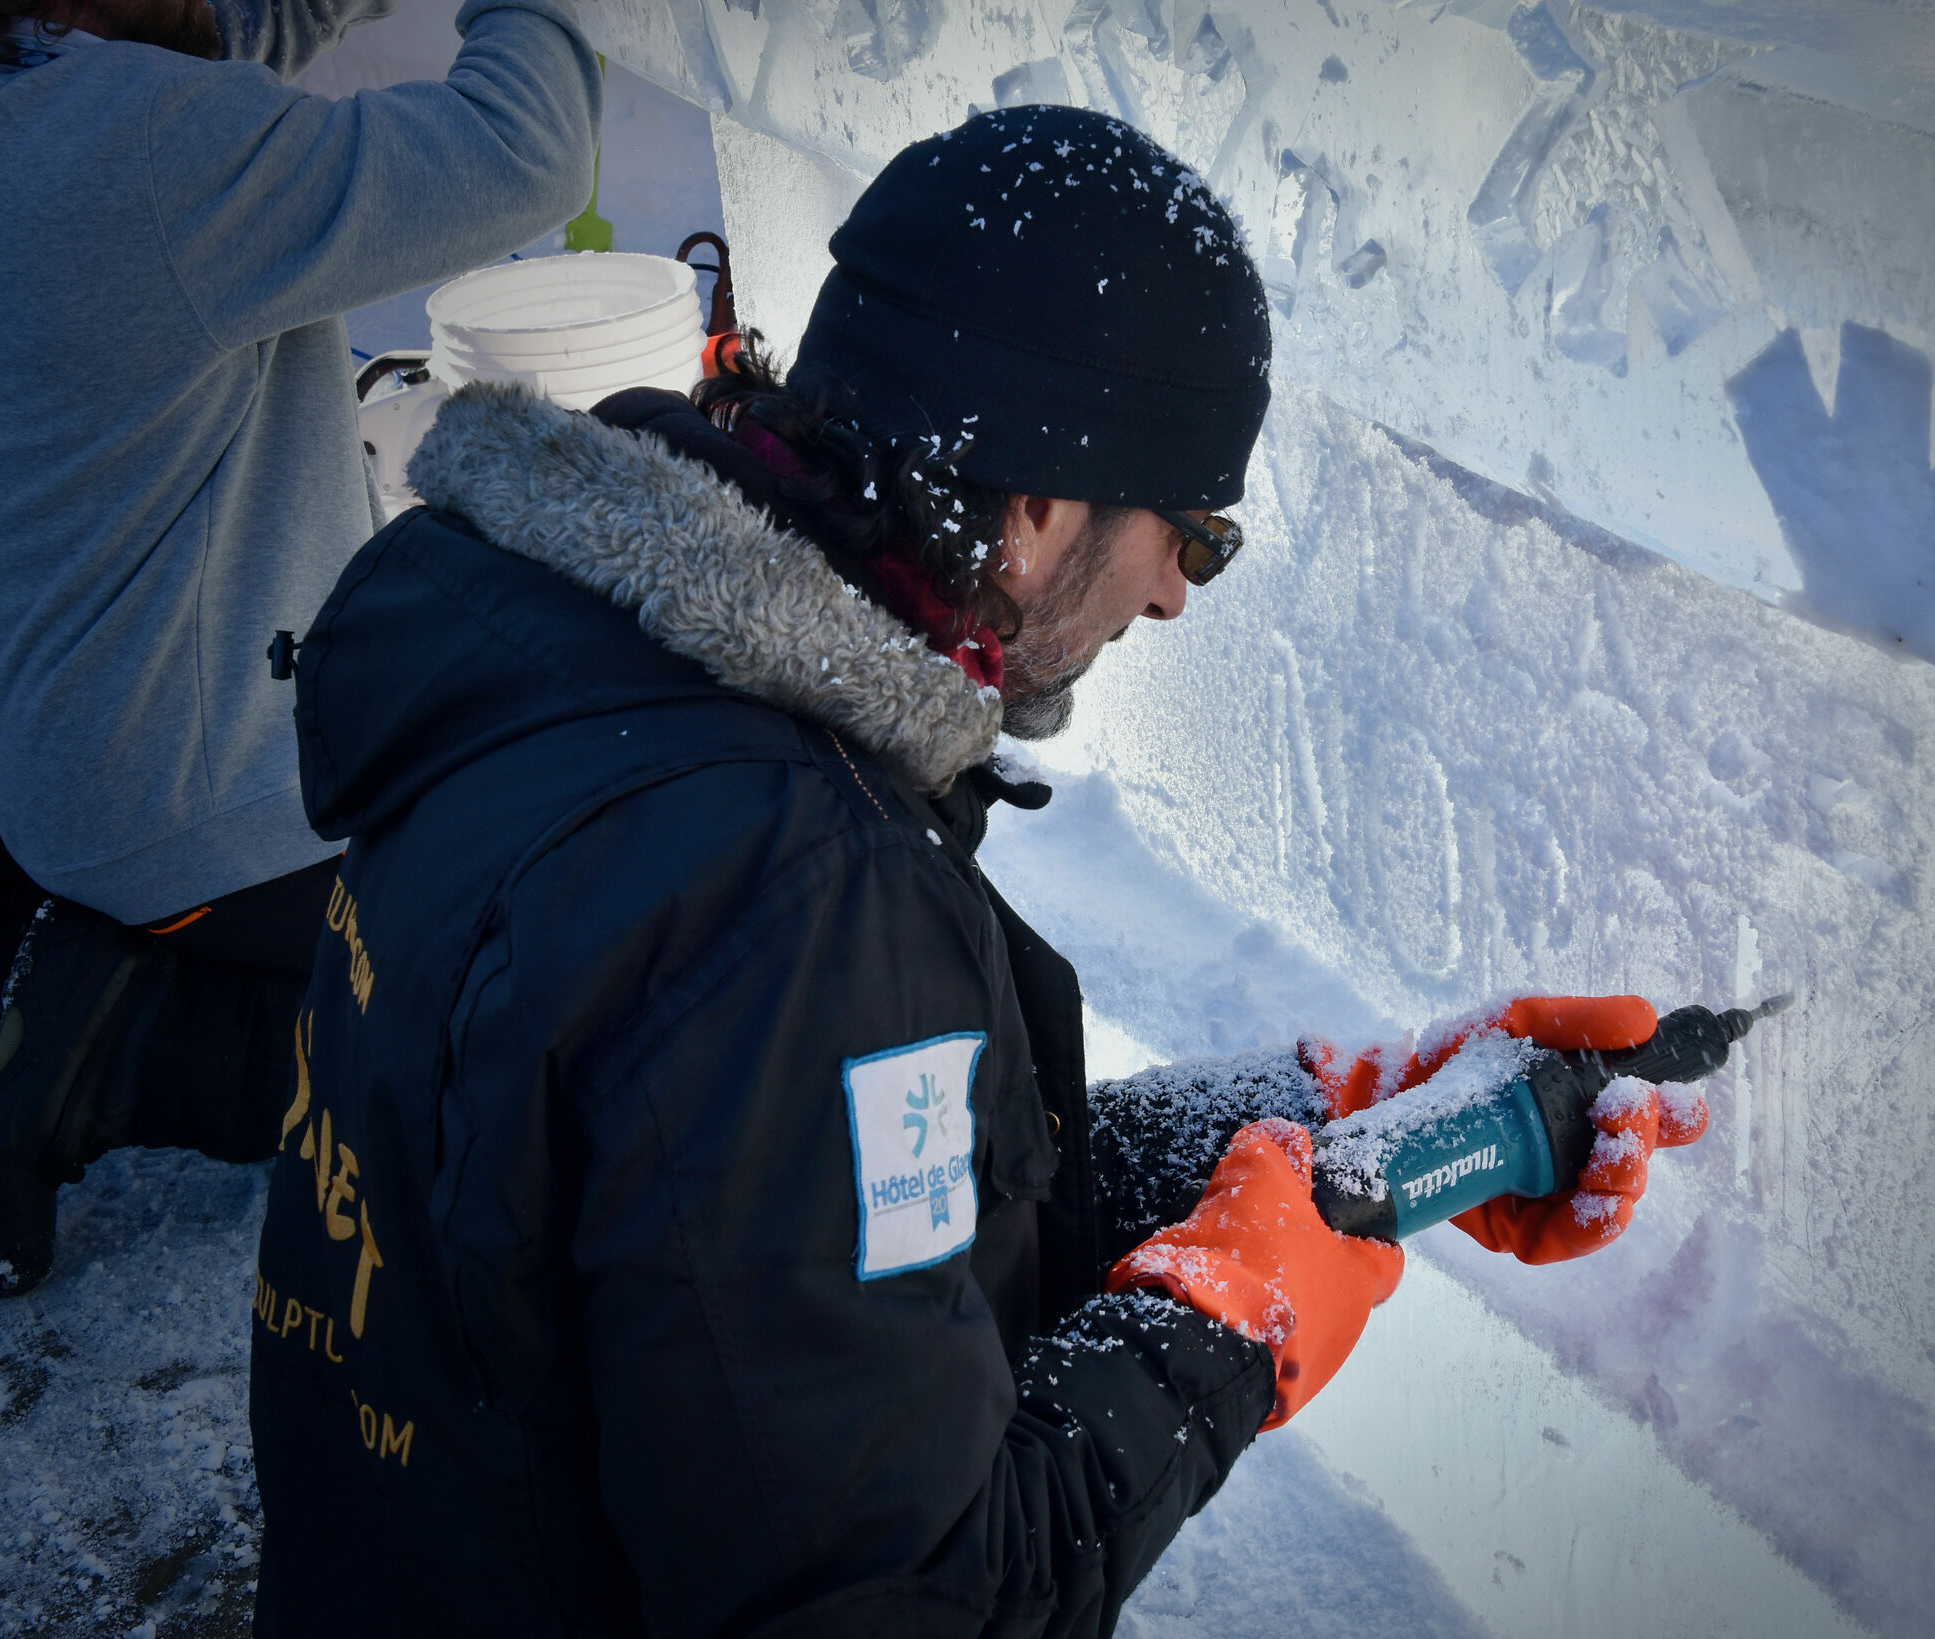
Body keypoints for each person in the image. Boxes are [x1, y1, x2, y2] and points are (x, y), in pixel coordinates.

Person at [246, 104, 1708, 1636]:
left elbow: (818, 1246)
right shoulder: (794, 893)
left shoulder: (587, 655)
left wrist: (1335, 1118)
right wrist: (1217, 1327)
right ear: (1035, 510)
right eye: (1189, 536)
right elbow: (916, 1601)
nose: (1170, 601)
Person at [0, 0, 601, 1295]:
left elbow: (201, 48)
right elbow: (522, 153)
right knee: (550, 983)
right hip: (196, 801)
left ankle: (59, 937)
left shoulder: (21, 100)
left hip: (57, 752)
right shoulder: (139, 153)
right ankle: (127, 1032)